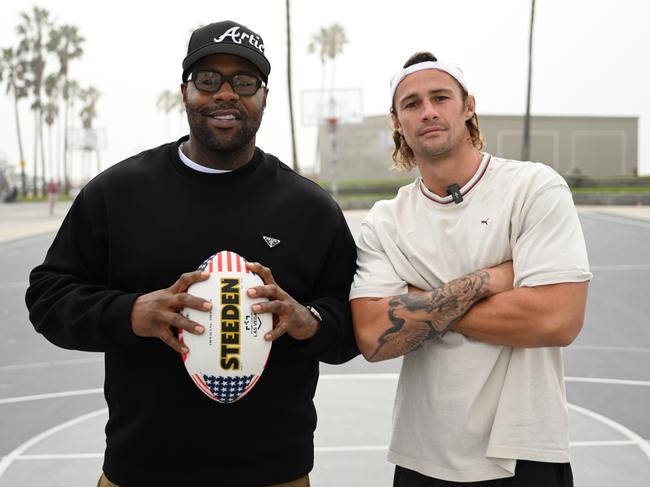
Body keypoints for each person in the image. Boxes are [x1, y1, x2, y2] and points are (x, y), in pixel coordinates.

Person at [26, 20, 358, 487]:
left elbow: (351, 323)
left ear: (264, 96)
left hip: (274, 473)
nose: (226, 94)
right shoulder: (118, 193)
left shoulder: (310, 208)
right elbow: (47, 297)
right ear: (185, 91)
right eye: (208, 80)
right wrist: (131, 312)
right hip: (140, 468)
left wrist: (309, 322)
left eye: (244, 81)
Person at [350, 52, 592, 486]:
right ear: (396, 122)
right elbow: (371, 335)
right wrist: (492, 280)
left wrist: (420, 299)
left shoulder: (533, 188)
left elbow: (557, 319)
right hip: (423, 455)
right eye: (411, 103)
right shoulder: (385, 221)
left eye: (440, 97)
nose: (428, 111)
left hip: (524, 451)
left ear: (468, 107)